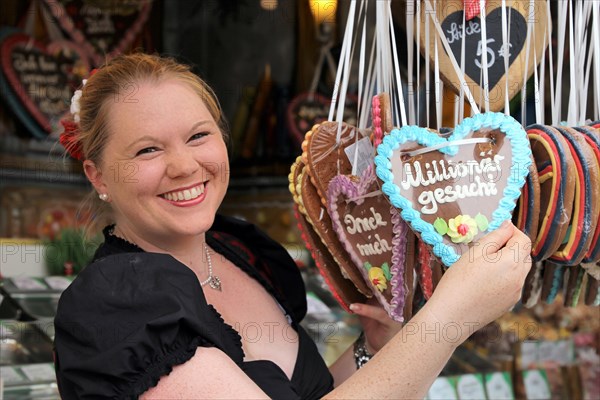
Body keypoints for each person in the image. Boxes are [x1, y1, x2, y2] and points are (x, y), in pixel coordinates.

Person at [53, 52, 532, 399]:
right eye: (148, 150)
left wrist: (374, 349)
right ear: (98, 176)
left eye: (198, 136)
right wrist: (450, 317)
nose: (184, 165)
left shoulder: (238, 252)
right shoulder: (116, 307)